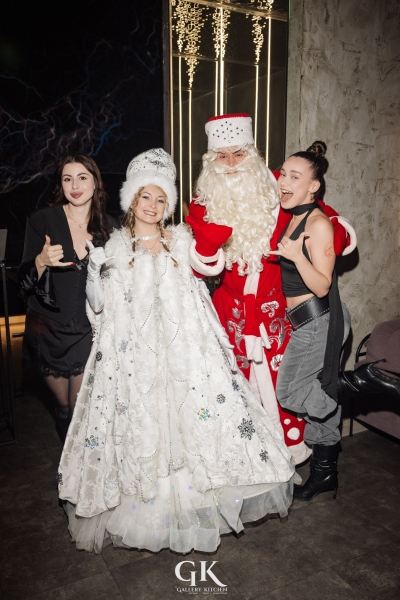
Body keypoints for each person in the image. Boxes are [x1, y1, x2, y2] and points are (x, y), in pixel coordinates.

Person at [57, 148, 295, 554]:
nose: (152, 205)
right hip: (138, 362)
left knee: (196, 424)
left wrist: (212, 238)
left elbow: (208, 269)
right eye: (145, 197)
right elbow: (98, 308)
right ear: (132, 200)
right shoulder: (115, 248)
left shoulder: (181, 241)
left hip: (185, 353)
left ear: (168, 204)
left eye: (160, 198)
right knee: (146, 428)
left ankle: (196, 500)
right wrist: (95, 272)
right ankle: (150, 509)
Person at [186, 113, 356, 465]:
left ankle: (293, 453)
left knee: (286, 388)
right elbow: (197, 265)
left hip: (279, 309)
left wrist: (333, 234)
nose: (232, 164)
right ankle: (250, 459)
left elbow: (321, 215)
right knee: (236, 386)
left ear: (252, 155)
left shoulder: (274, 189)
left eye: (239, 154)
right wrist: (206, 246)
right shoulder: (203, 203)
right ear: (211, 161)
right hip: (232, 311)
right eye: (222, 156)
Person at [271, 141, 350, 501]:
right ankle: (324, 474)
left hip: (319, 322)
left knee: (289, 392)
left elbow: (321, 284)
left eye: (295, 177)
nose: (284, 182)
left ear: (314, 185)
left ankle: (352, 388)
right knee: (313, 394)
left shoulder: (317, 224)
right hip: (306, 322)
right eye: (283, 174)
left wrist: (296, 257)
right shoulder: (293, 216)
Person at [19, 154, 118, 441]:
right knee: (62, 406)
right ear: (60, 185)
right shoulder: (42, 221)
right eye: (67, 179)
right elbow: (24, 283)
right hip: (48, 328)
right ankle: (63, 435)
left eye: (82, 177)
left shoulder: (110, 227)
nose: (75, 185)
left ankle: (73, 461)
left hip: (87, 329)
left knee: (78, 409)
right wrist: (41, 261)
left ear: (95, 182)